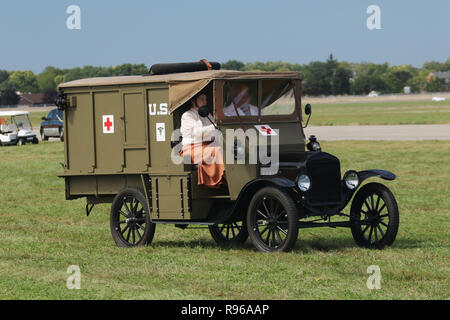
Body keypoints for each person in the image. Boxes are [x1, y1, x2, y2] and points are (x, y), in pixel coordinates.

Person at [180, 92, 226, 188]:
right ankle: (222, 178)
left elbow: (216, 133)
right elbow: (198, 133)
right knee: (217, 150)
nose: (205, 102)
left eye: (205, 99)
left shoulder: (207, 115)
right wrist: (215, 128)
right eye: (202, 99)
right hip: (191, 148)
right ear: (193, 101)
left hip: (208, 145)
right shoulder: (187, 115)